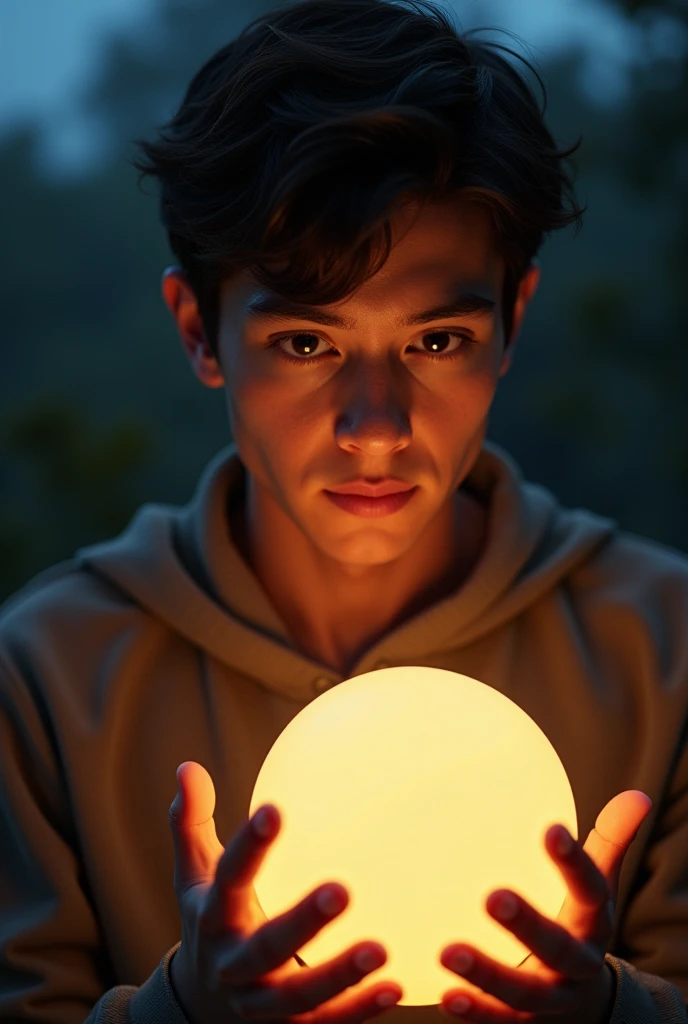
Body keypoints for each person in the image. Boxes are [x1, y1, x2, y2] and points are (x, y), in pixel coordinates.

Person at [0, 0, 686, 1021]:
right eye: (307, 345)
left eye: (437, 341)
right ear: (198, 329)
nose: (376, 427)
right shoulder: (49, 676)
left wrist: (609, 1011)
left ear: (513, 323)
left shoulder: (662, 651)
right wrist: (182, 1011)